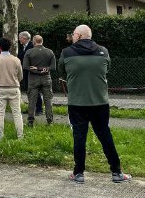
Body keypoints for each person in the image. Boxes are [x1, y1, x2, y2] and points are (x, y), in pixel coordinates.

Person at [60, 25, 131, 184]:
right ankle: (116, 172)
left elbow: (62, 70)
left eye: (73, 34)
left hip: (77, 103)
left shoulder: (67, 53)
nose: (72, 36)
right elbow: (107, 70)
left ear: (77, 35)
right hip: (100, 102)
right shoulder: (103, 51)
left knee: (79, 137)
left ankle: (78, 173)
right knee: (105, 136)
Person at [0, 38, 23, 140]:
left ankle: (0, 136)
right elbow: (20, 76)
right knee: (17, 113)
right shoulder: (16, 60)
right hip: (14, 88)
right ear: (10, 47)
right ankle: (20, 136)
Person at [22, 35, 56, 126]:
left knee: (32, 100)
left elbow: (25, 66)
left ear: (33, 41)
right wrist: (42, 69)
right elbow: (53, 67)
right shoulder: (50, 52)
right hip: (46, 78)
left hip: (33, 79)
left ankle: (30, 121)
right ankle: (50, 121)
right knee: (48, 100)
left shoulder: (29, 52)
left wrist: (36, 69)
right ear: (42, 41)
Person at [18, 31, 42, 116]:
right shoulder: (24, 47)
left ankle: (39, 109)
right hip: (25, 72)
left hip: (32, 73)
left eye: (20, 38)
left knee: (35, 91)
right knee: (29, 91)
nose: (19, 39)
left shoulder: (32, 46)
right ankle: (31, 109)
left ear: (24, 38)